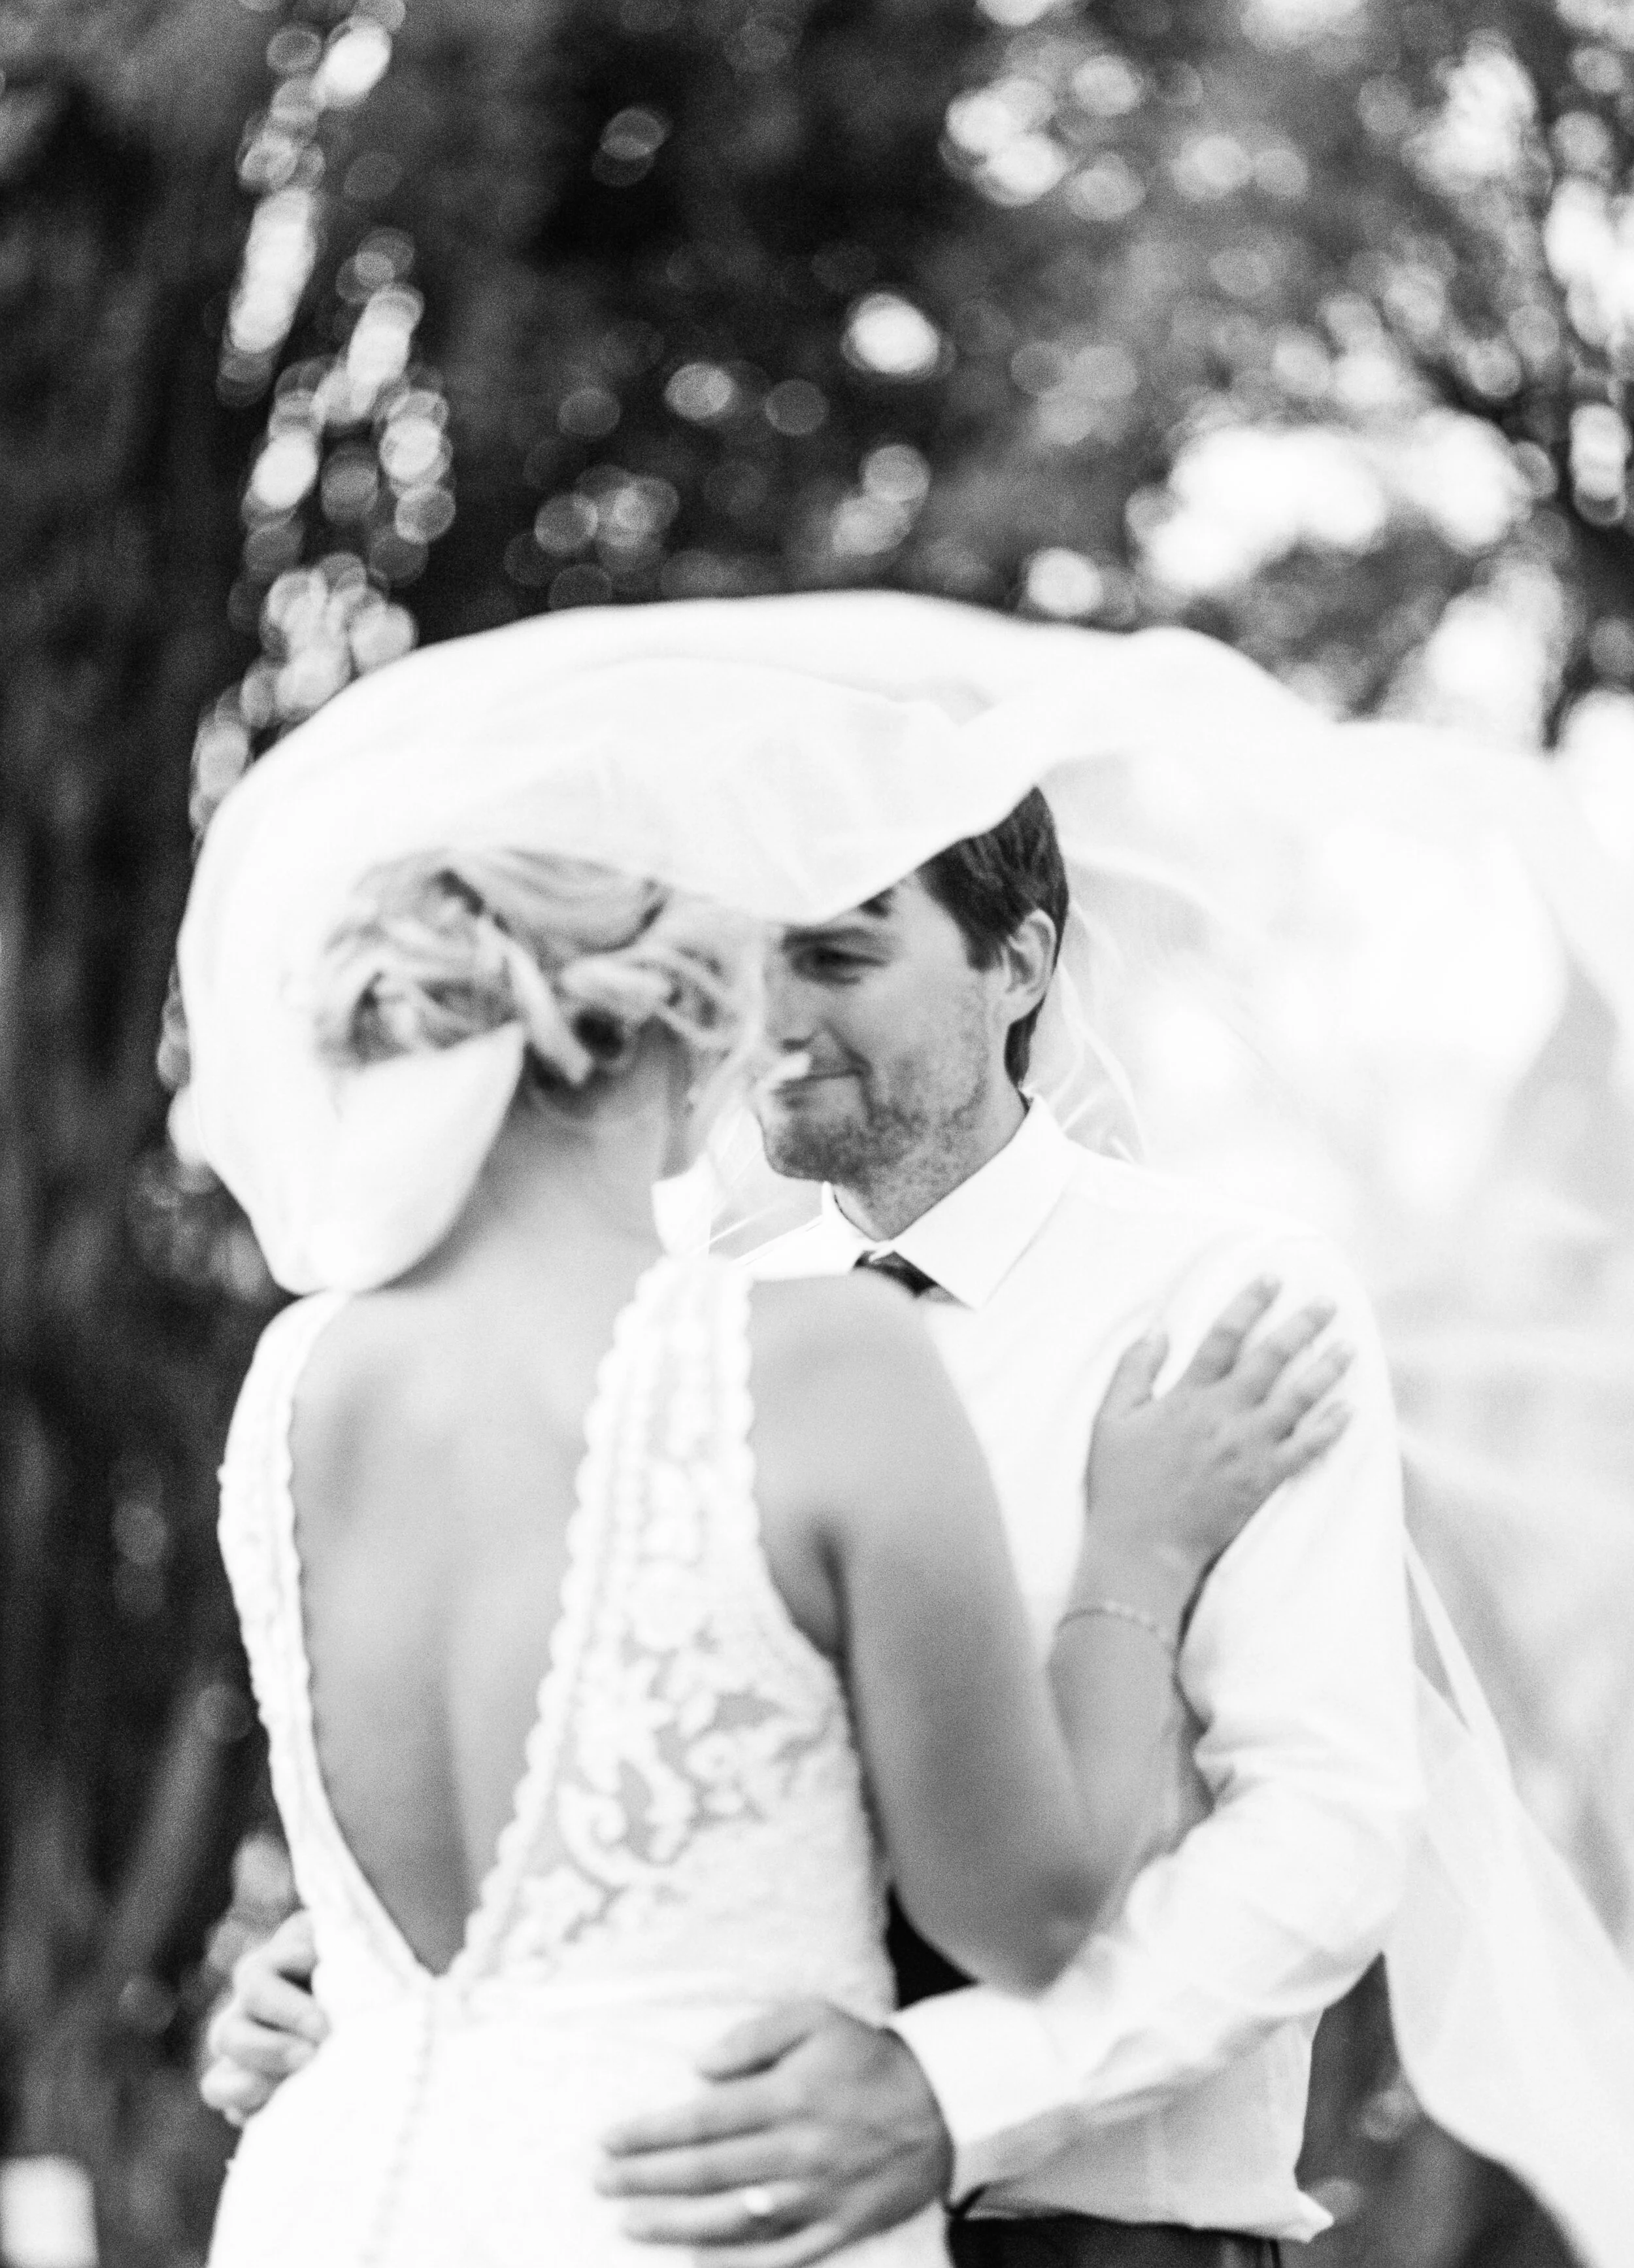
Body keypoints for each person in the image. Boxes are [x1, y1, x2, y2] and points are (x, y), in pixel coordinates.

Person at [181, 659, 1352, 2268]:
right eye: (756, 964)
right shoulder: (783, 1349)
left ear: (1018, 966)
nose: (778, 1021)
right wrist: (345, 1980)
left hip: (391, 2209)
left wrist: (955, 2097)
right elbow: (1006, 1907)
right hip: (690, 2216)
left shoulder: (300, 1377)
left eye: (837, 953)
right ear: (691, 1008)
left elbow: (1326, 1821)